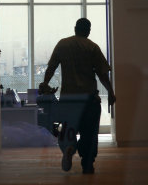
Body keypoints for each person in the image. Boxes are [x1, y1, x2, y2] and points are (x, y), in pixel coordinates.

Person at [40, 18, 116, 174]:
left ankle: (69, 147)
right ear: (88, 30)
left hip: (69, 99)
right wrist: (110, 92)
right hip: (89, 99)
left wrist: (45, 84)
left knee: (68, 130)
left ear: (75, 28)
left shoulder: (62, 44)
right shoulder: (92, 47)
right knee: (89, 134)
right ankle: (87, 165)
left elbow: (51, 68)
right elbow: (102, 74)